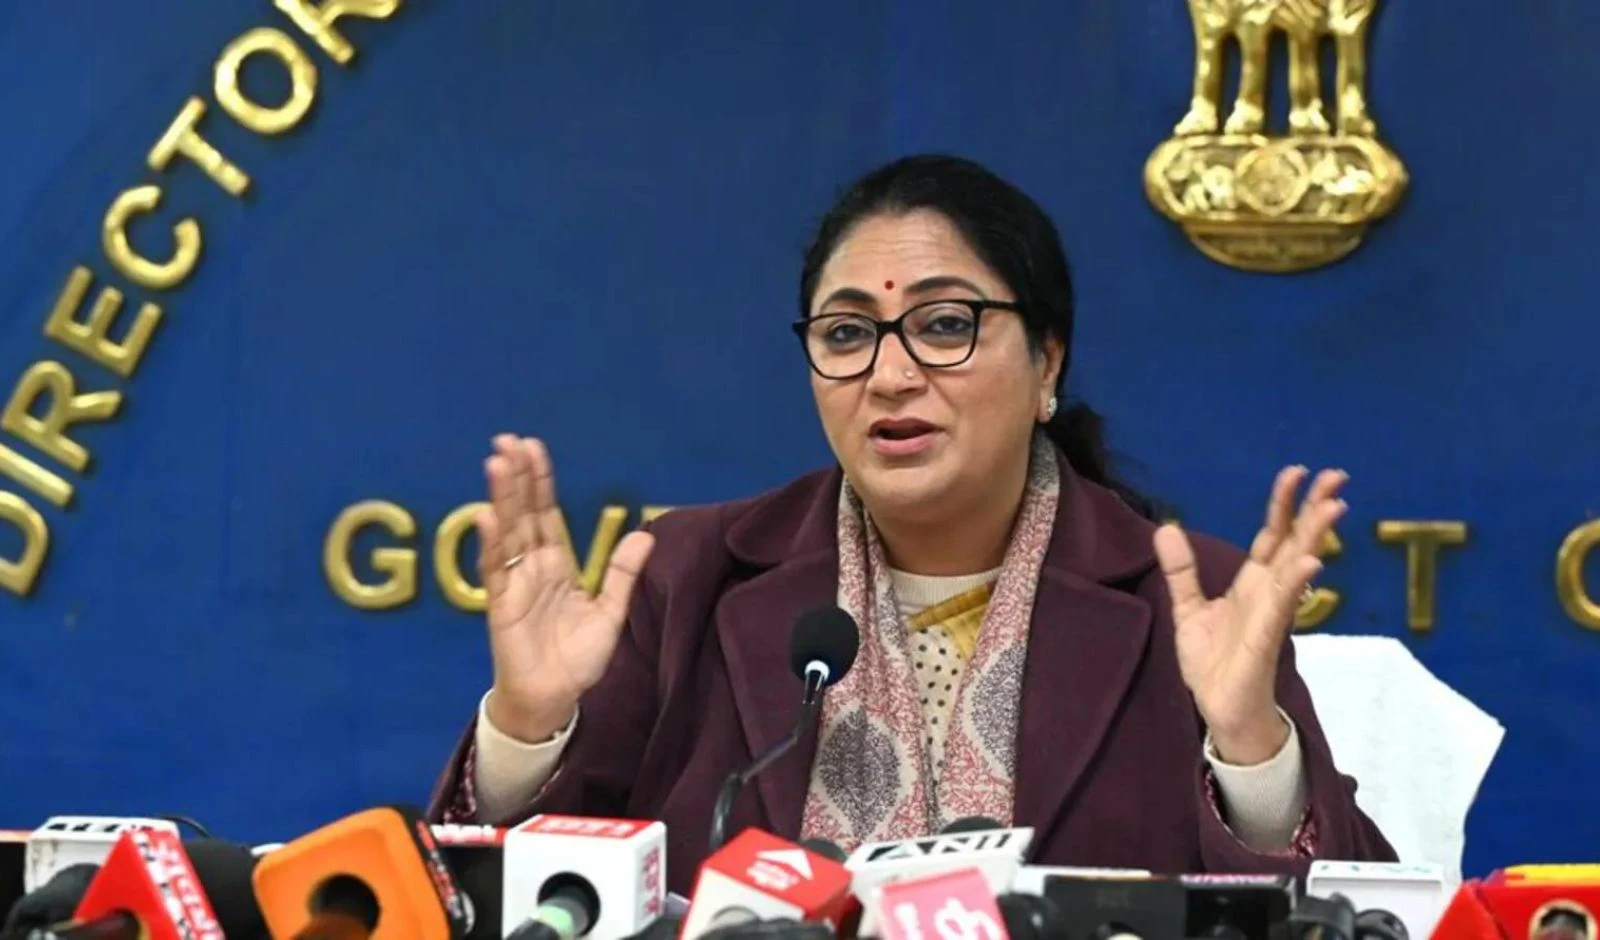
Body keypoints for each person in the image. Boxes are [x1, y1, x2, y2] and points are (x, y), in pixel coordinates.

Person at [427, 154, 1395, 892]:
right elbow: (510, 902)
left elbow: (1360, 912)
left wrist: (1251, 751)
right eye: (847, 334)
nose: (890, 375)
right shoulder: (690, 576)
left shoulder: (1187, 599)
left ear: (1047, 365)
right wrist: (526, 730)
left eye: (943, 325)